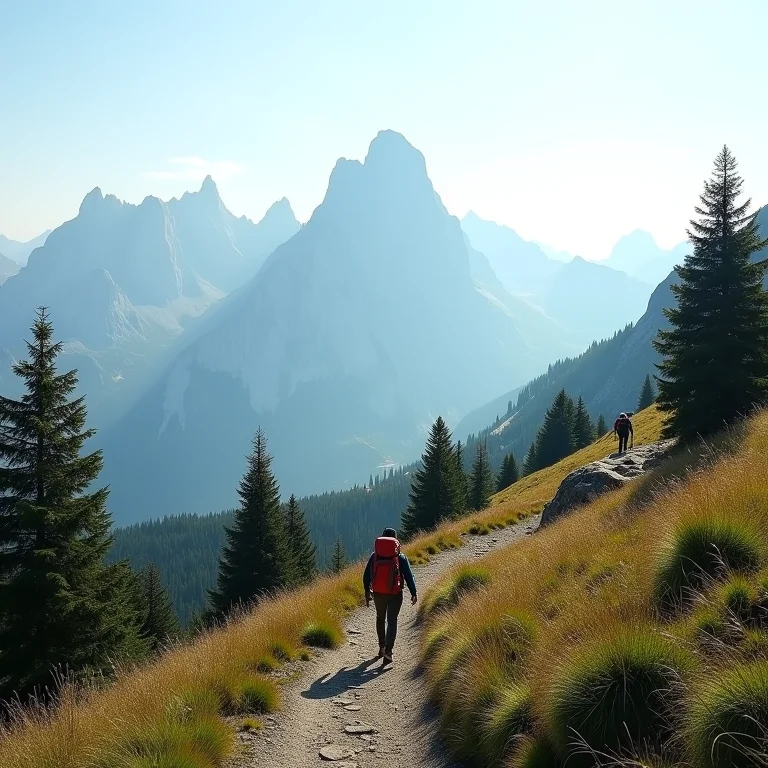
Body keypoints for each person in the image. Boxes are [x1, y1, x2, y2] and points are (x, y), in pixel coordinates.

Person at [362, 527, 417, 665]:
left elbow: (366, 576)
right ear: (395, 541)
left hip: (378, 593)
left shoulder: (374, 556)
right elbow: (409, 576)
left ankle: (381, 647)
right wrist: (413, 592)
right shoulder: (400, 557)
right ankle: (389, 651)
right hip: (395, 594)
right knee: (392, 620)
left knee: (380, 618)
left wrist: (367, 592)